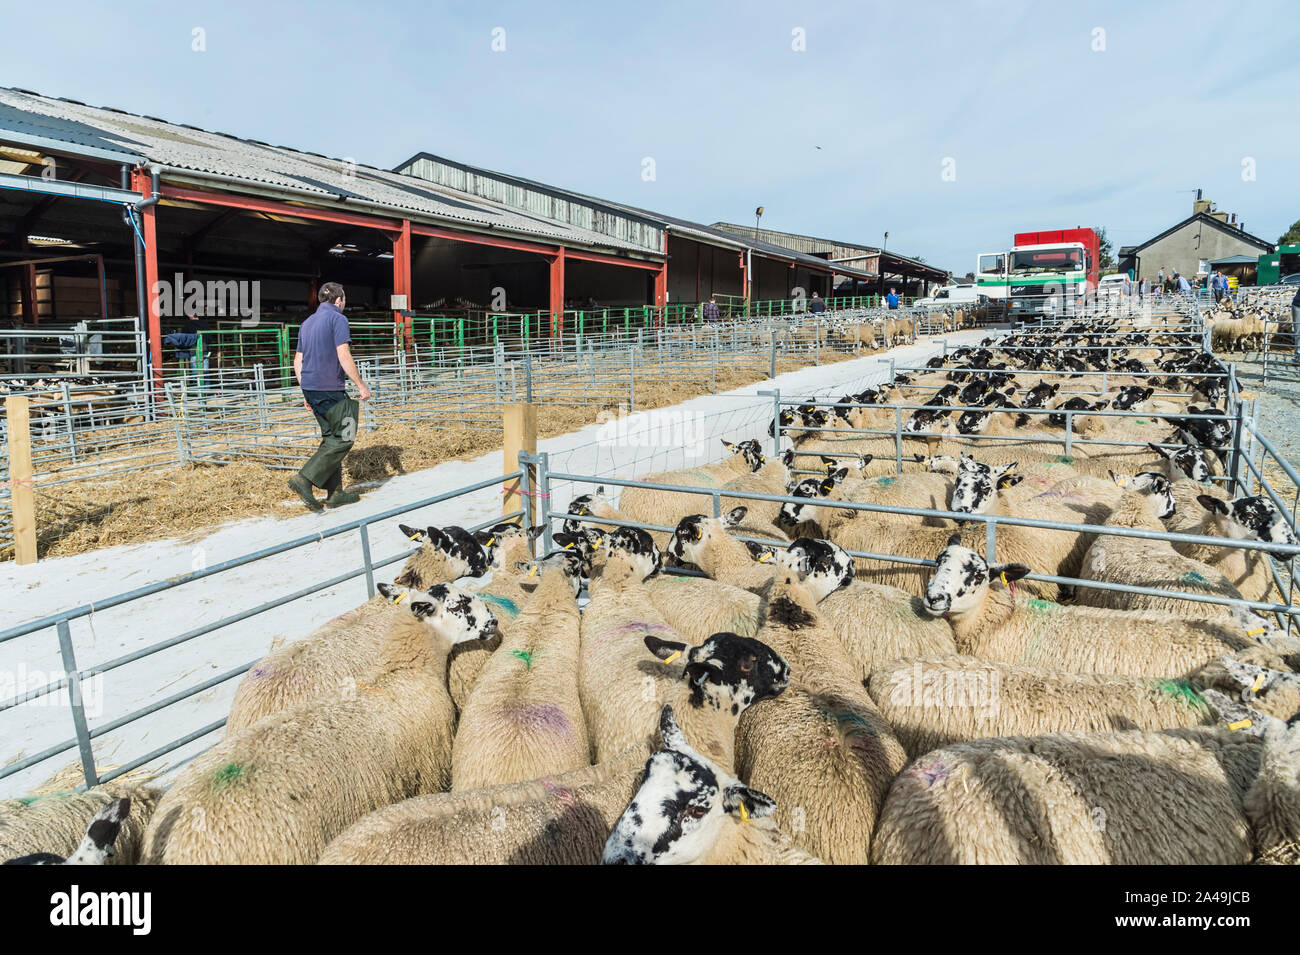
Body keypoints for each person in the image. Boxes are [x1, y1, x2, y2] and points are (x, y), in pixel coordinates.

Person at [288, 282, 372, 511]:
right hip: (330, 387)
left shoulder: (307, 323)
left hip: (311, 388)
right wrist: (361, 385)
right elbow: (343, 353)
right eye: (344, 299)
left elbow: (298, 360)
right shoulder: (338, 319)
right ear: (338, 300)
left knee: (330, 439)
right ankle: (304, 479)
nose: (344, 303)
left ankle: (335, 493)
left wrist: (305, 389)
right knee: (344, 436)